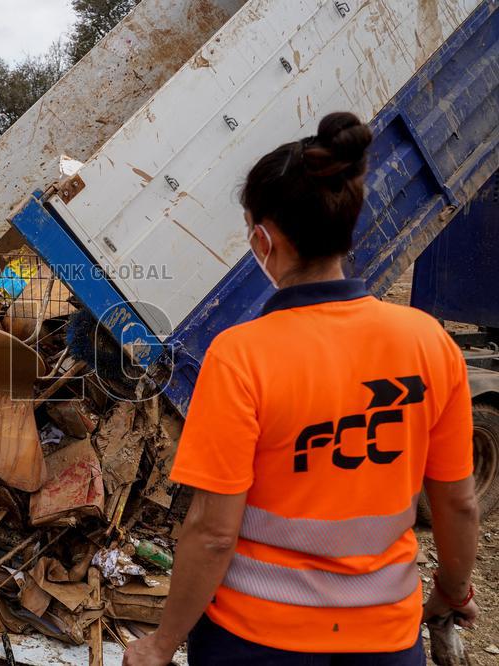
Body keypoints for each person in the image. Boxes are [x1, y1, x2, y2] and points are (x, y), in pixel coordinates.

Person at [123, 112, 479, 665]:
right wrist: (453, 594)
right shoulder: (429, 342)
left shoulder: (241, 355)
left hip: (255, 640)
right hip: (385, 640)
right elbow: (457, 503)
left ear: (262, 239)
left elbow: (213, 532)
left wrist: (162, 643)